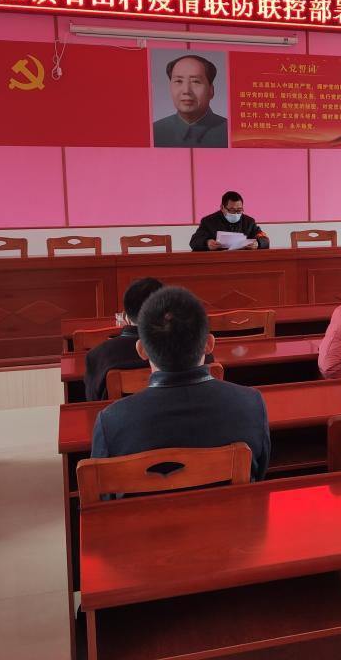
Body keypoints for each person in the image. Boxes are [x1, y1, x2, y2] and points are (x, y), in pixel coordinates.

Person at [90, 286, 271, 480]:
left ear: (141, 350)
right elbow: (259, 474)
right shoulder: (252, 405)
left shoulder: (111, 422)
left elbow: (102, 491)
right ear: (209, 344)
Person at [83, 277, 163, 401]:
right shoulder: (183, 350)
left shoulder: (97, 356)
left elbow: (93, 405)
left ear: (126, 317)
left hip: (116, 413)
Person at [153, 54, 228, 147]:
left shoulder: (231, 132)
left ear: (211, 90)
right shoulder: (154, 132)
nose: (186, 91)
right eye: (179, 81)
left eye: (195, 81)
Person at [189, 191, 269, 251]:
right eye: (232, 210)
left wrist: (258, 243)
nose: (236, 213)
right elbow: (194, 241)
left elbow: (264, 238)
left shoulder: (249, 222)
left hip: (242, 261)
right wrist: (207, 243)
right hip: (217, 261)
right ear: (222, 208)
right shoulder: (208, 222)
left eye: (239, 210)